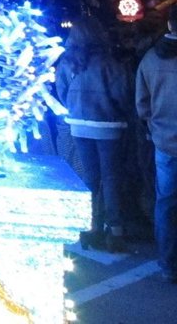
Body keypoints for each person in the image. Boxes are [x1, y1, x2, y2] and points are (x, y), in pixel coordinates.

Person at [55, 17, 133, 252]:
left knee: (90, 177)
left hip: (79, 124)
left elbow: (62, 92)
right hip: (108, 125)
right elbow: (123, 94)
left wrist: (74, 108)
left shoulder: (67, 62)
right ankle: (115, 231)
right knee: (111, 178)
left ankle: (90, 227)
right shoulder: (110, 62)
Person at [136, 8, 177, 282]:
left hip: (165, 141)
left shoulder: (151, 58)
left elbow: (142, 103)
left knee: (166, 203)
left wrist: (153, 126)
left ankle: (168, 264)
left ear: (170, 24)